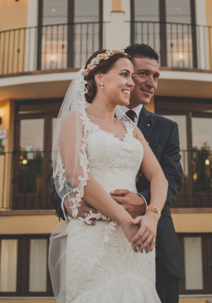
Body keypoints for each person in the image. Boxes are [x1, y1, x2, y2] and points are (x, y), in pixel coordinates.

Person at [51, 44, 184, 303]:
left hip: (139, 238)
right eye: (127, 75)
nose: (133, 83)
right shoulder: (75, 121)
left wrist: (151, 215)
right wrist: (122, 219)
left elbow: (162, 177)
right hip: (95, 235)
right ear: (99, 77)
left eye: (133, 76)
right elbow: (75, 177)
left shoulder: (133, 130)